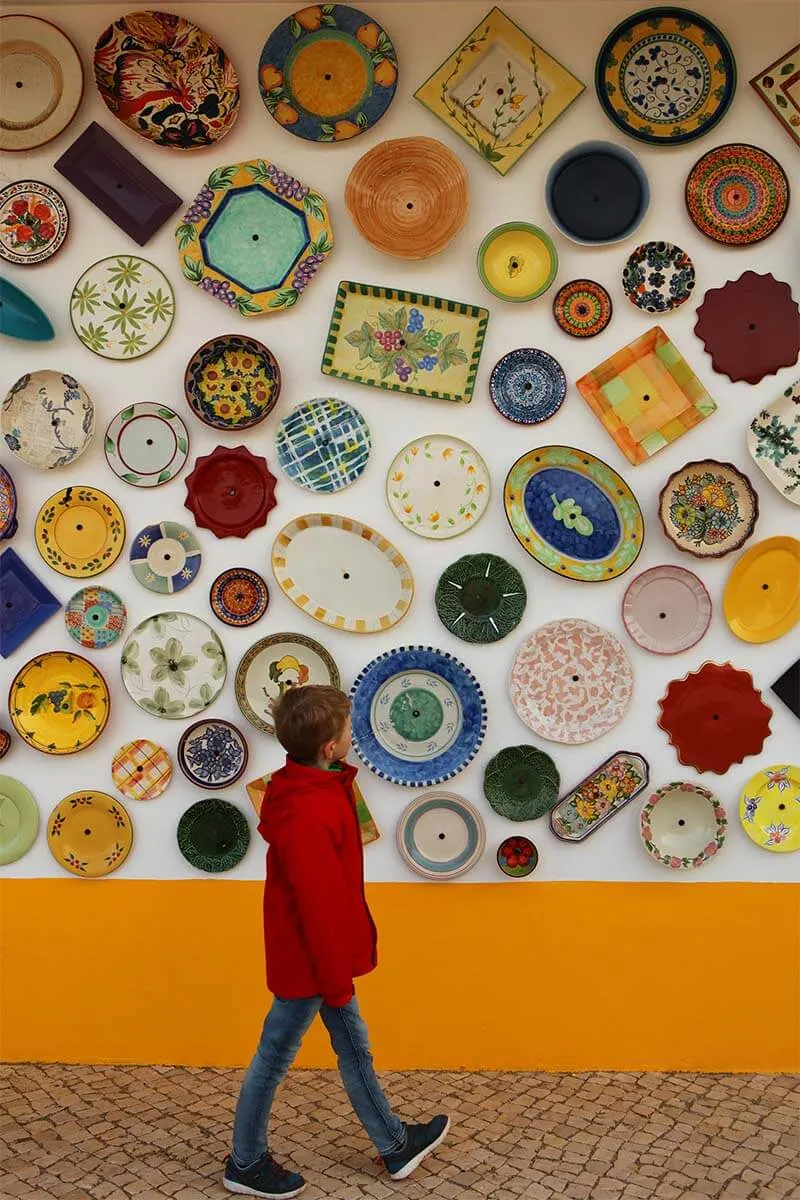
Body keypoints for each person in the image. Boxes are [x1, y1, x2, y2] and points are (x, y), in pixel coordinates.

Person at [224, 684, 450, 1199]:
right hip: (312, 963)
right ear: (330, 747)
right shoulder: (309, 812)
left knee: (354, 1048)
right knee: (276, 1056)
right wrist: (335, 979)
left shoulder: (315, 786)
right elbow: (319, 907)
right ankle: (245, 1161)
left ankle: (395, 1145)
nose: (352, 736)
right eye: (347, 731)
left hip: (320, 959)